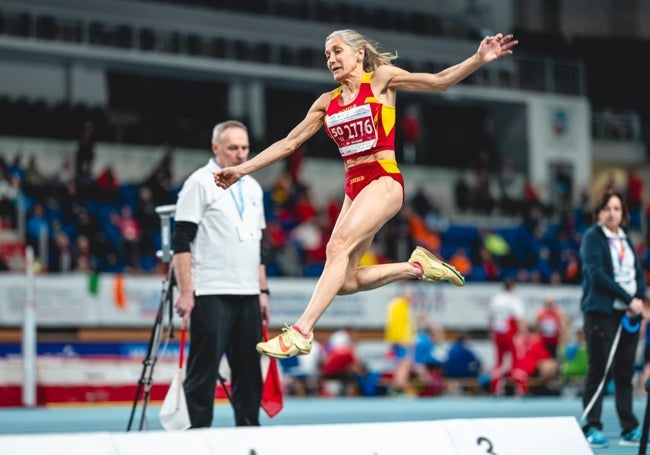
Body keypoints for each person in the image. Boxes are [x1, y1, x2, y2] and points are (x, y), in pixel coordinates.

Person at [214, 28, 517, 359]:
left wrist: (478, 58)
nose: (331, 59)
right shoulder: (326, 103)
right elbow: (288, 143)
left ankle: (300, 331)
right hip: (354, 187)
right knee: (344, 282)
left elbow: (438, 81)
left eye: (337, 51)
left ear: (359, 54)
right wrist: (241, 171)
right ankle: (416, 267)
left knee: (336, 245)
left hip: (384, 179)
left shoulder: (381, 80)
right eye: (327, 54)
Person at [172, 120, 270, 428]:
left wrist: (263, 292)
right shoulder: (199, 182)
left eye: (244, 148)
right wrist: (186, 291)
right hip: (211, 290)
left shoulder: (253, 187)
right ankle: (198, 438)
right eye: (233, 148)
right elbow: (181, 239)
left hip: (248, 294)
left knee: (249, 374)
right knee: (203, 372)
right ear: (216, 148)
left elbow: (260, 245)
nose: (241, 154)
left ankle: (249, 435)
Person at [580, 190, 647, 448]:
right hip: (602, 312)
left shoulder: (625, 238)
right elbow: (597, 274)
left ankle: (629, 429)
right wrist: (628, 299)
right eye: (607, 208)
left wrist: (638, 298)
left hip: (628, 313)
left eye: (617, 208)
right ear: (599, 212)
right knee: (599, 370)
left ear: (623, 213)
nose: (612, 213)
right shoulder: (593, 238)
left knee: (625, 372)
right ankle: (591, 426)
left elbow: (637, 272)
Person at [487, 277, 526, 395]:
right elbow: (519, 319)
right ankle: (520, 389)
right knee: (516, 361)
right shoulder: (514, 300)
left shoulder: (495, 299)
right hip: (510, 333)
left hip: (498, 333)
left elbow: (491, 319)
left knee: (498, 362)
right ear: (513, 288)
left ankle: (495, 389)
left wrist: (492, 333)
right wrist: (522, 334)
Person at [535, 293, 568, 359]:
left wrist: (562, 334)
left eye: (551, 303)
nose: (549, 305)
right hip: (543, 342)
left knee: (554, 359)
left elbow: (564, 327)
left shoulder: (558, 313)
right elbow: (537, 328)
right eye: (548, 303)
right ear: (545, 304)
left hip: (555, 342)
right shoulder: (540, 313)